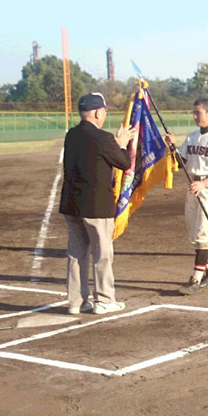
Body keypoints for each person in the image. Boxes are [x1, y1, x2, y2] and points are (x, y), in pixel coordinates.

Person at [59, 92, 136, 315]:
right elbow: (123, 163)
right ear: (97, 113)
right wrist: (120, 144)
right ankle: (104, 299)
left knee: (76, 254)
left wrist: (114, 142)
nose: (104, 115)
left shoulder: (71, 135)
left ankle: (76, 301)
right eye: (103, 111)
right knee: (102, 253)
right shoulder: (103, 138)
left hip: (72, 204)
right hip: (96, 206)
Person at [164, 98, 208, 295]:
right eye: (193, 112)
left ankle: (195, 278)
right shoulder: (192, 137)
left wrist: (204, 183)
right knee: (194, 236)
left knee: (202, 235)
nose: (194, 116)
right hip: (193, 186)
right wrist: (172, 147)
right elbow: (181, 162)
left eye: (198, 112)